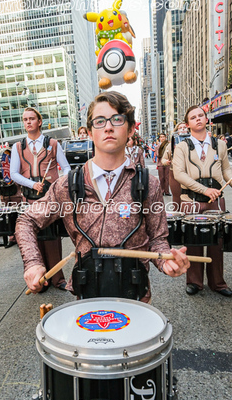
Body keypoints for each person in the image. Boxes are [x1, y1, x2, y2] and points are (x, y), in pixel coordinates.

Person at [16, 91, 189, 301]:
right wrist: (33, 262)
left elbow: (157, 240)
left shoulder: (148, 183)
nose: (108, 127)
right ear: (90, 132)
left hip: (136, 294)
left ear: (131, 129)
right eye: (99, 121)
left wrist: (166, 261)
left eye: (117, 119)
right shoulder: (67, 185)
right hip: (87, 294)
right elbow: (26, 220)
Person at [172, 105, 232, 297]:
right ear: (187, 123)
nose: (198, 119)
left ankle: (218, 283)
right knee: (193, 242)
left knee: (217, 242)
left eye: (201, 115)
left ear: (207, 119)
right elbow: (179, 174)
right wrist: (204, 189)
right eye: (193, 117)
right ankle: (194, 282)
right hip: (191, 200)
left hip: (216, 201)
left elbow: (226, 170)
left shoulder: (220, 144)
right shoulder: (181, 147)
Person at [10, 107, 71, 290]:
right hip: (29, 198)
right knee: (33, 238)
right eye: (25, 119)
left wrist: (58, 185)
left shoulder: (52, 143)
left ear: (39, 121)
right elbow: (14, 173)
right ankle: (40, 280)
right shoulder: (18, 146)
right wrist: (32, 184)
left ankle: (57, 278)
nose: (28, 122)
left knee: (52, 238)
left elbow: (66, 168)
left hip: (50, 198)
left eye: (31, 118)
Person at [162, 123, 188, 210]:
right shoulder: (172, 145)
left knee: (189, 197)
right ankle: (177, 215)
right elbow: (164, 159)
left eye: (185, 127)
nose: (183, 129)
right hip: (174, 173)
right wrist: (166, 162)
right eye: (180, 128)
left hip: (189, 172)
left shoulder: (194, 142)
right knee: (177, 197)